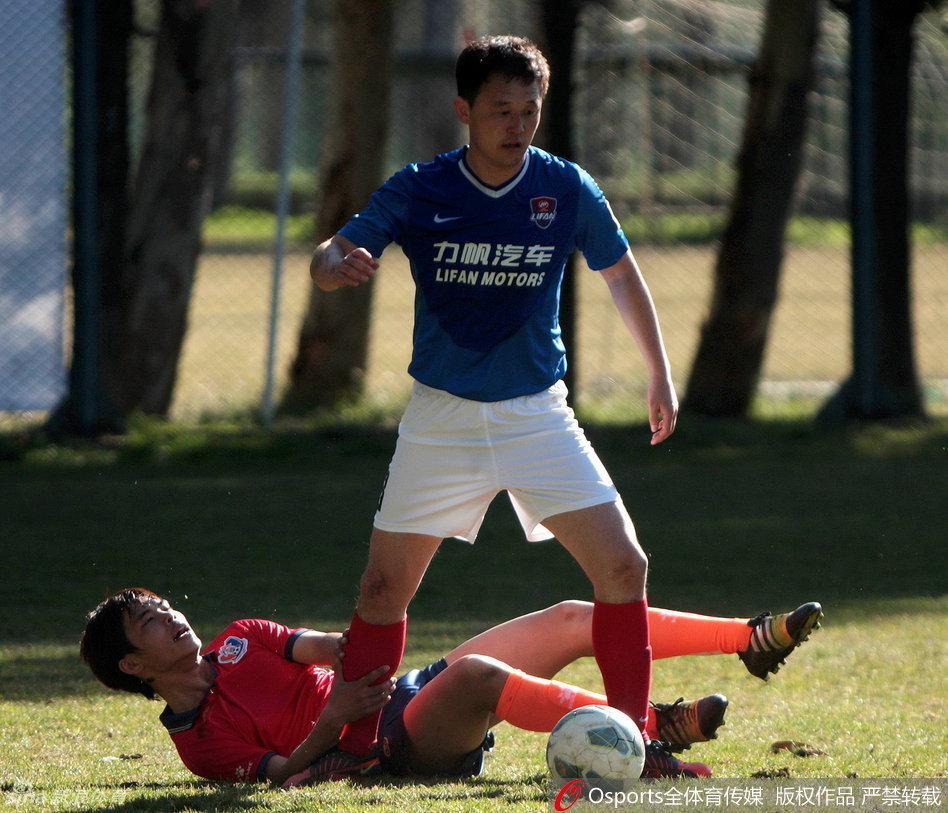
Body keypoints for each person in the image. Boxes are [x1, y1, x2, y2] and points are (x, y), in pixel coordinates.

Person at [309, 34, 686, 774]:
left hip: (536, 414)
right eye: (500, 110)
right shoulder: (421, 187)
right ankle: (355, 752)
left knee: (623, 566)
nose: (516, 125)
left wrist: (659, 372)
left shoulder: (566, 186)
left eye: (529, 110)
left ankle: (641, 745)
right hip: (440, 418)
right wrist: (334, 264)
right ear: (464, 111)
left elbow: (619, 274)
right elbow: (331, 254)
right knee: (382, 589)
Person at [80, 588, 823, 786]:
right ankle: (645, 735)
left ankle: (747, 638)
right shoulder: (198, 744)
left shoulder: (238, 636)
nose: (172, 615)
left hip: (402, 692)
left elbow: (323, 646)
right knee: (476, 674)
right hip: (392, 743)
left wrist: (355, 645)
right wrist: (332, 719)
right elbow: (280, 778)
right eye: (150, 621)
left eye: (165, 605)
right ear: (134, 668)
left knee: (567, 616)